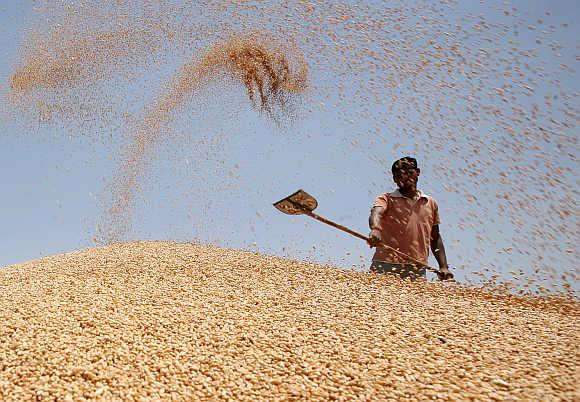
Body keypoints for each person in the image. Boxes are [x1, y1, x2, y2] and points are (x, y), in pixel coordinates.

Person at [367, 157, 453, 281]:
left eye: (408, 172)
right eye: (399, 175)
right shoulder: (387, 199)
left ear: (417, 172)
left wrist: (443, 266)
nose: (404, 178)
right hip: (384, 265)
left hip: (417, 268)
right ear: (394, 179)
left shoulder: (430, 203)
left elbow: (435, 237)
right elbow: (376, 214)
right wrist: (375, 229)